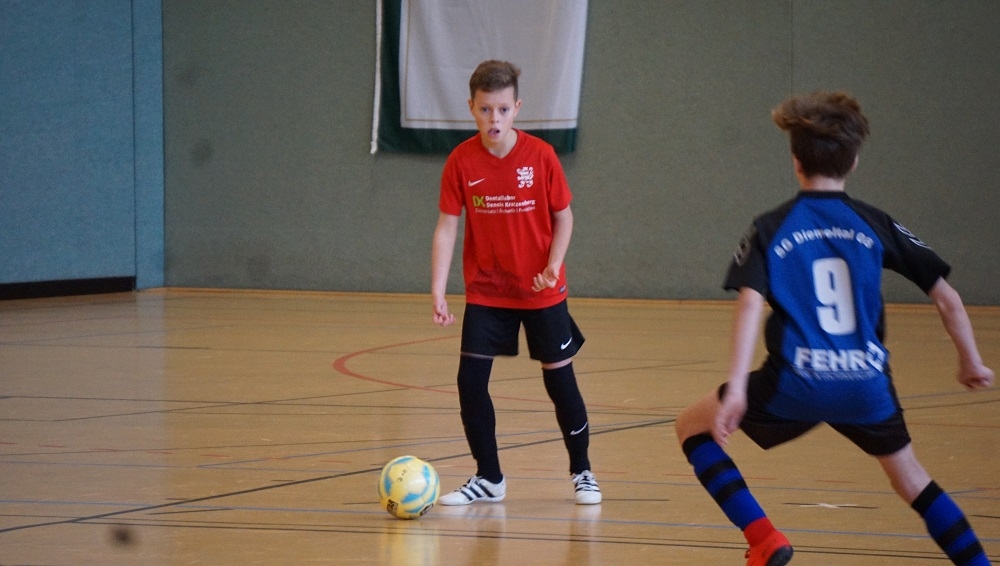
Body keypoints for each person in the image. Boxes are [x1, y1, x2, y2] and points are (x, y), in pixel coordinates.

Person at [674, 91, 994, 566]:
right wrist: (971, 361)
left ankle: (764, 538)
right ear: (855, 161)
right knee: (912, 481)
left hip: (795, 382)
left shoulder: (771, 227)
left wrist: (738, 387)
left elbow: (750, 304)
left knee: (691, 428)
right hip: (865, 383)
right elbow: (946, 297)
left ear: (795, 162)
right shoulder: (874, 223)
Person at [430, 60, 600, 506]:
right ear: (471, 107)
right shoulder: (461, 160)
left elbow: (564, 217)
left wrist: (553, 264)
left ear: (517, 108)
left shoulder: (541, 157)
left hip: (541, 291)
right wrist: (438, 289)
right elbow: (447, 227)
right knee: (470, 383)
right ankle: (489, 478)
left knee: (560, 381)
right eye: (485, 109)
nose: (494, 119)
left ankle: (582, 471)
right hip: (488, 290)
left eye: (503, 110)